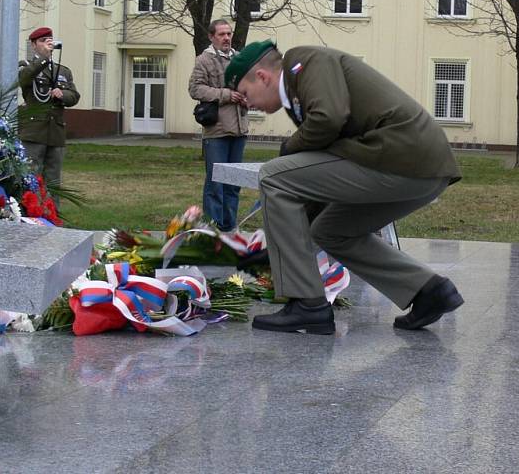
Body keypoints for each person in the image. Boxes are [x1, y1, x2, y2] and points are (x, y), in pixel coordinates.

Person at [225, 40, 464, 334]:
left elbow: (329, 118)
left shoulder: (305, 61)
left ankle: (307, 304)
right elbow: (314, 179)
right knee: (330, 232)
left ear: (262, 76)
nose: (247, 105)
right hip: (417, 166)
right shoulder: (297, 92)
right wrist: (278, 247)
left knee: (273, 175)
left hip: (400, 158)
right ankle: (428, 292)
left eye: (246, 94)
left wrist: (289, 148)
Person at [188, 20, 249, 231]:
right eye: (222, 34)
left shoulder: (240, 58)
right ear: (212, 37)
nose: (226, 38)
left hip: (240, 129)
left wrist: (248, 97)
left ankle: (230, 227)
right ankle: (213, 229)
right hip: (217, 131)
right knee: (216, 184)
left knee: (234, 183)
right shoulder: (204, 60)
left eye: (229, 33)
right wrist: (226, 95)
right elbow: (195, 89)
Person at [18, 27, 80, 199]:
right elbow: (24, 79)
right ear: (34, 45)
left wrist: (62, 95)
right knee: (30, 177)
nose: (47, 44)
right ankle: (29, 215)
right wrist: (43, 59)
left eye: (49, 41)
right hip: (34, 132)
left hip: (56, 132)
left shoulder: (63, 71)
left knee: (53, 182)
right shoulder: (27, 67)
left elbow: (74, 96)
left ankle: (52, 218)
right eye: (42, 41)